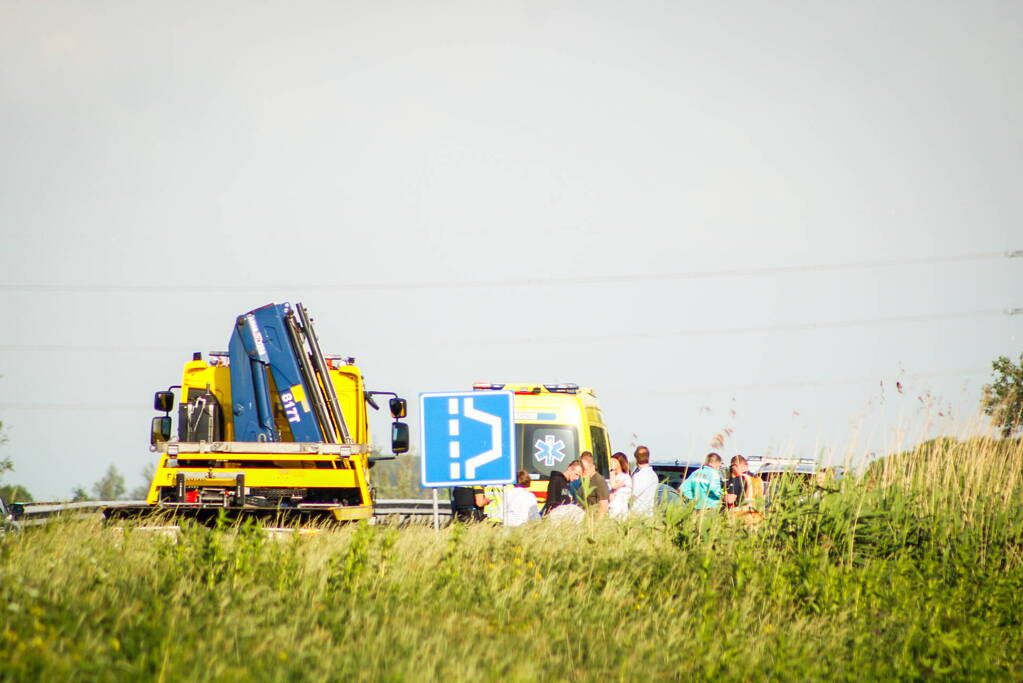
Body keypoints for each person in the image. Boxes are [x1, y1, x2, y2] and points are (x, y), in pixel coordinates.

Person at [630, 445, 658, 517]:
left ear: (636, 459)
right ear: (648, 457)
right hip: (649, 513)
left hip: (637, 514)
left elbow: (632, 495)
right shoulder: (653, 475)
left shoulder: (638, 476)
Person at [578, 452, 610, 516]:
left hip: (595, 520)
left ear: (593, 467)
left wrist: (598, 524)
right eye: (582, 469)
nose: (583, 472)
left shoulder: (599, 481)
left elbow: (603, 505)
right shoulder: (584, 480)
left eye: (585, 469)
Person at [608, 452, 632, 519]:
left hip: (621, 511)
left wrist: (611, 470)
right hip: (612, 509)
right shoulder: (614, 476)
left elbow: (614, 485)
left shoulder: (625, 477)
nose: (611, 464)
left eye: (614, 462)